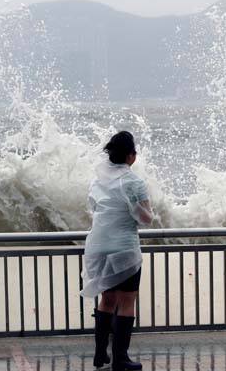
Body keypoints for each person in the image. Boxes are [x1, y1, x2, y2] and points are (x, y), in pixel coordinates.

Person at [81, 131, 154, 371]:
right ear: (131, 156)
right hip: (123, 248)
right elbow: (145, 218)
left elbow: (94, 206)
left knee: (107, 298)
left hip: (98, 245)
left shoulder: (97, 179)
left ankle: (100, 354)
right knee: (126, 301)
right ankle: (120, 359)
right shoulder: (133, 181)